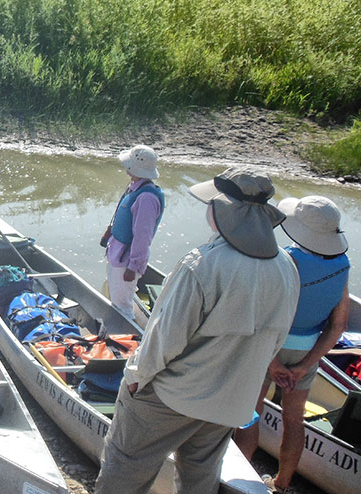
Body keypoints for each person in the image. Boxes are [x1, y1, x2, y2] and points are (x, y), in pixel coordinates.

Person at [94, 167, 300, 494]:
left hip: (174, 396)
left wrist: (134, 378)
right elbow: (275, 339)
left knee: (125, 469)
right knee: (199, 478)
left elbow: (163, 340)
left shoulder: (202, 264)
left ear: (223, 211)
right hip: (229, 402)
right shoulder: (287, 267)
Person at [233, 195, 350, 493]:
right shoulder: (343, 265)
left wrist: (272, 362)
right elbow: (338, 325)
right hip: (307, 350)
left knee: (249, 413)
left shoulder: (283, 258)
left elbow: (257, 313)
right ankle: (281, 485)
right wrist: (303, 367)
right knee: (294, 420)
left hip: (268, 344)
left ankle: (241, 484)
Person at [100, 144, 163, 320]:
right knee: (116, 296)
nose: (127, 171)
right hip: (117, 252)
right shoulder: (135, 186)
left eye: (130, 167)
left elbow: (143, 237)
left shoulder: (147, 198)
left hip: (126, 260)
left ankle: (126, 338)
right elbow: (121, 212)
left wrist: (133, 267)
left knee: (122, 306)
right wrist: (109, 231)